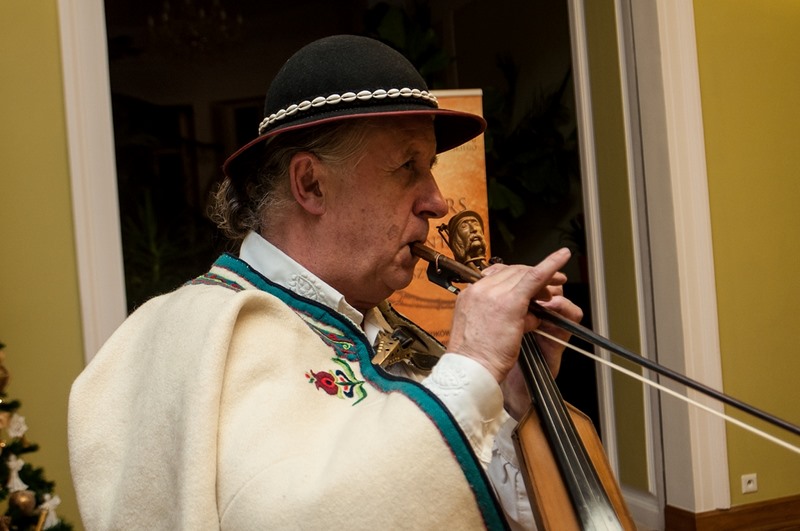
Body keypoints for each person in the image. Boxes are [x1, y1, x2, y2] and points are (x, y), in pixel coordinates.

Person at [68, 35, 582, 530]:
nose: (437, 202)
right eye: (408, 166)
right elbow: (302, 517)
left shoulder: (389, 328)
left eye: (430, 167)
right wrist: (473, 363)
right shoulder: (192, 332)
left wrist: (509, 397)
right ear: (311, 184)